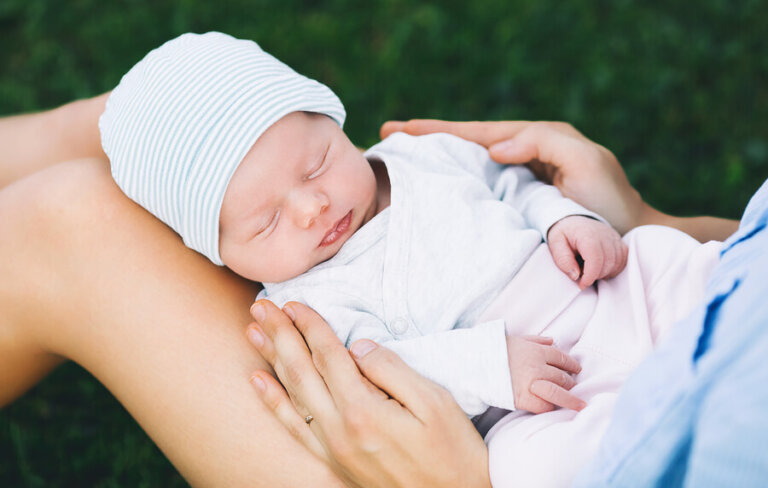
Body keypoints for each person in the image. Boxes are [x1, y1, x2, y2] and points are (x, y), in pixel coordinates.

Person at [0, 82, 743, 487]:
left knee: (66, 216)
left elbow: (509, 187)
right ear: (218, 261)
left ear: (335, 117)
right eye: (264, 225)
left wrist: (564, 220)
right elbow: (376, 368)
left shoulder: (421, 158)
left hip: (625, 301)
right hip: (552, 390)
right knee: (534, 462)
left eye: (319, 161)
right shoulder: (307, 300)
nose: (315, 205)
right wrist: (492, 366)